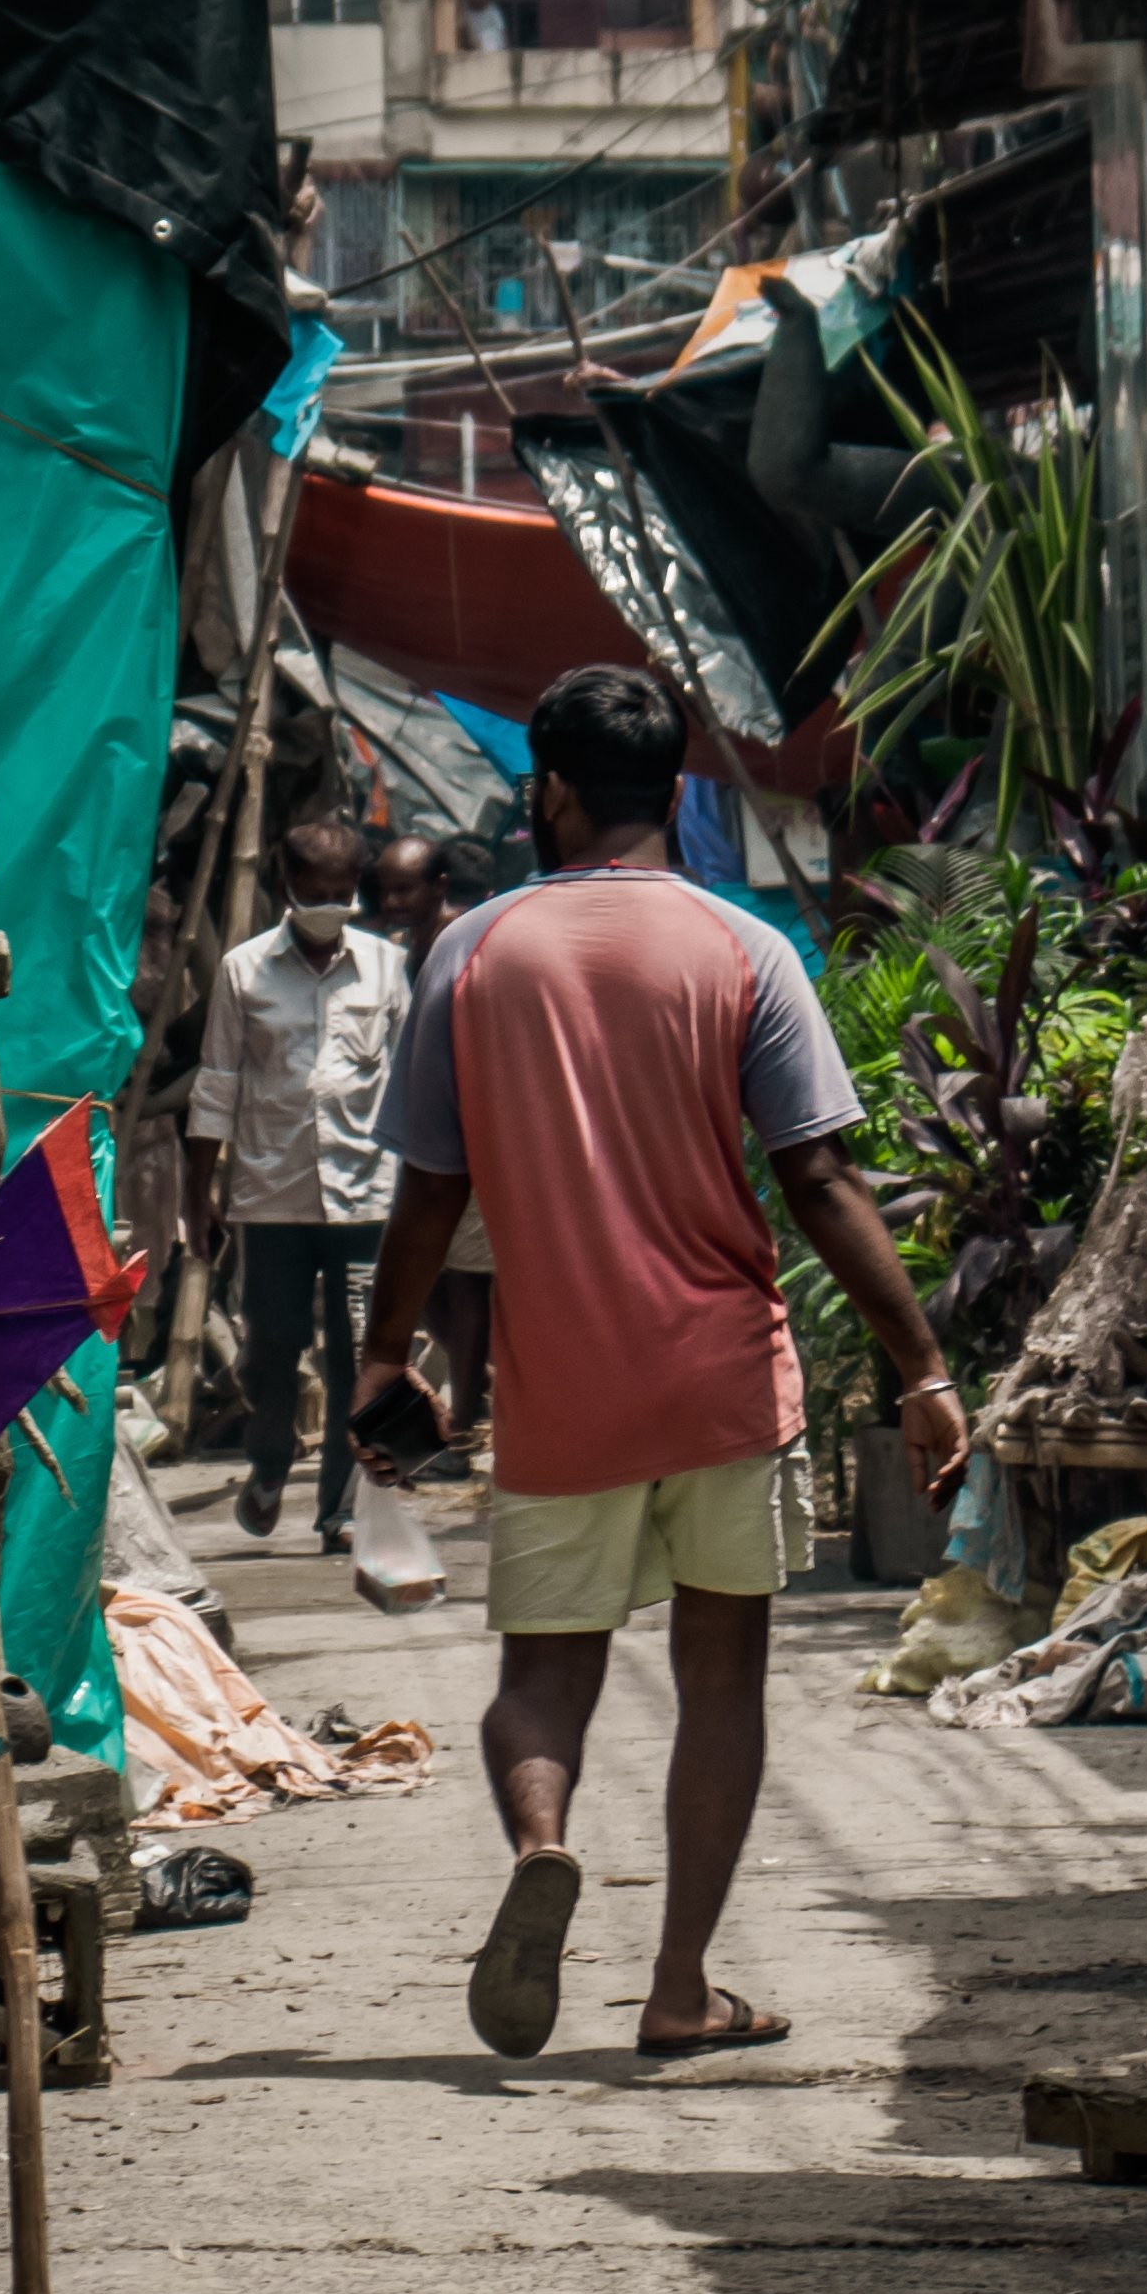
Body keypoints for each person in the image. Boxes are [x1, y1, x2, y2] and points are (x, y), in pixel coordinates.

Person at [357, 661, 967, 2062]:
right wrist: (925, 1373)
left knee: (545, 1672)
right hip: (720, 1375)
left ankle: (542, 1844)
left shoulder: (471, 953)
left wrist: (386, 1355)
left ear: (551, 793)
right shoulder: (745, 949)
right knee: (722, 1678)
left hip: (561, 1382)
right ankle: (682, 1985)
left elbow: (429, 1194)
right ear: (677, 791)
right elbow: (819, 1181)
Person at [186, 813, 406, 1549]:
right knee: (271, 1346)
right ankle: (272, 1456)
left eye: (343, 893)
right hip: (269, 1193)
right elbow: (217, 1081)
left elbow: (407, 1082)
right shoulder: (243, 970)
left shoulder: (385, 967)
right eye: (318, 892)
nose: (331, 905)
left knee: (357, 1355)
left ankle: (340, 1508)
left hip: (366, 1194)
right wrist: (199, 1192)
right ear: (288, 889)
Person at [371, 826, 497, 1445]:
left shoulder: (458, 941)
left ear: (438, 887)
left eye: (405, 890)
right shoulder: (407, 954)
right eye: (385, 891)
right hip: (426, 1132)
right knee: (432, 1282)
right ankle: (485, 1382)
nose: (393, 903)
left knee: (467, 1277)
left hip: (469, 1133)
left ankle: (468, 1417)